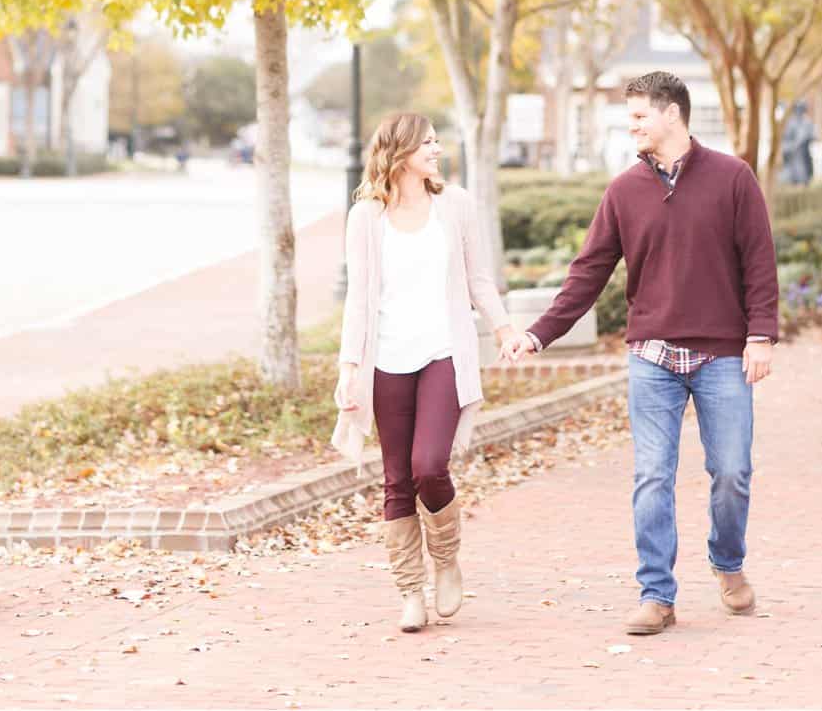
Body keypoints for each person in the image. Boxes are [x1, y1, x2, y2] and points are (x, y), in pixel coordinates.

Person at [501, 71, 779, 636]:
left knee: (732, 471)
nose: (631, 127)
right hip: (652, 355)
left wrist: (761, 334)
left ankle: (728, 563)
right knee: (653, 475)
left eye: (638, 117)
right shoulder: (624, 191)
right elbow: (588, 274)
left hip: (723, 353)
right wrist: (538, 334)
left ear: (671, 114)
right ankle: (657, 594)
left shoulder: (732, 178)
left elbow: (759, 260)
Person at [332, 112, 514, 634]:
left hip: (442, 353)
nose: (437, 149)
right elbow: (359, 301)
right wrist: (349, 369)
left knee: (430, 466)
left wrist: (502, 330)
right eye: (428, 142)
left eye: (437, 141)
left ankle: (447, 557)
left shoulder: (453, 205)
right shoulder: (367, 216)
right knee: (396, 480)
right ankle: (411, 592)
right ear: (400, 150)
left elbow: (478, 277)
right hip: (386, 360)